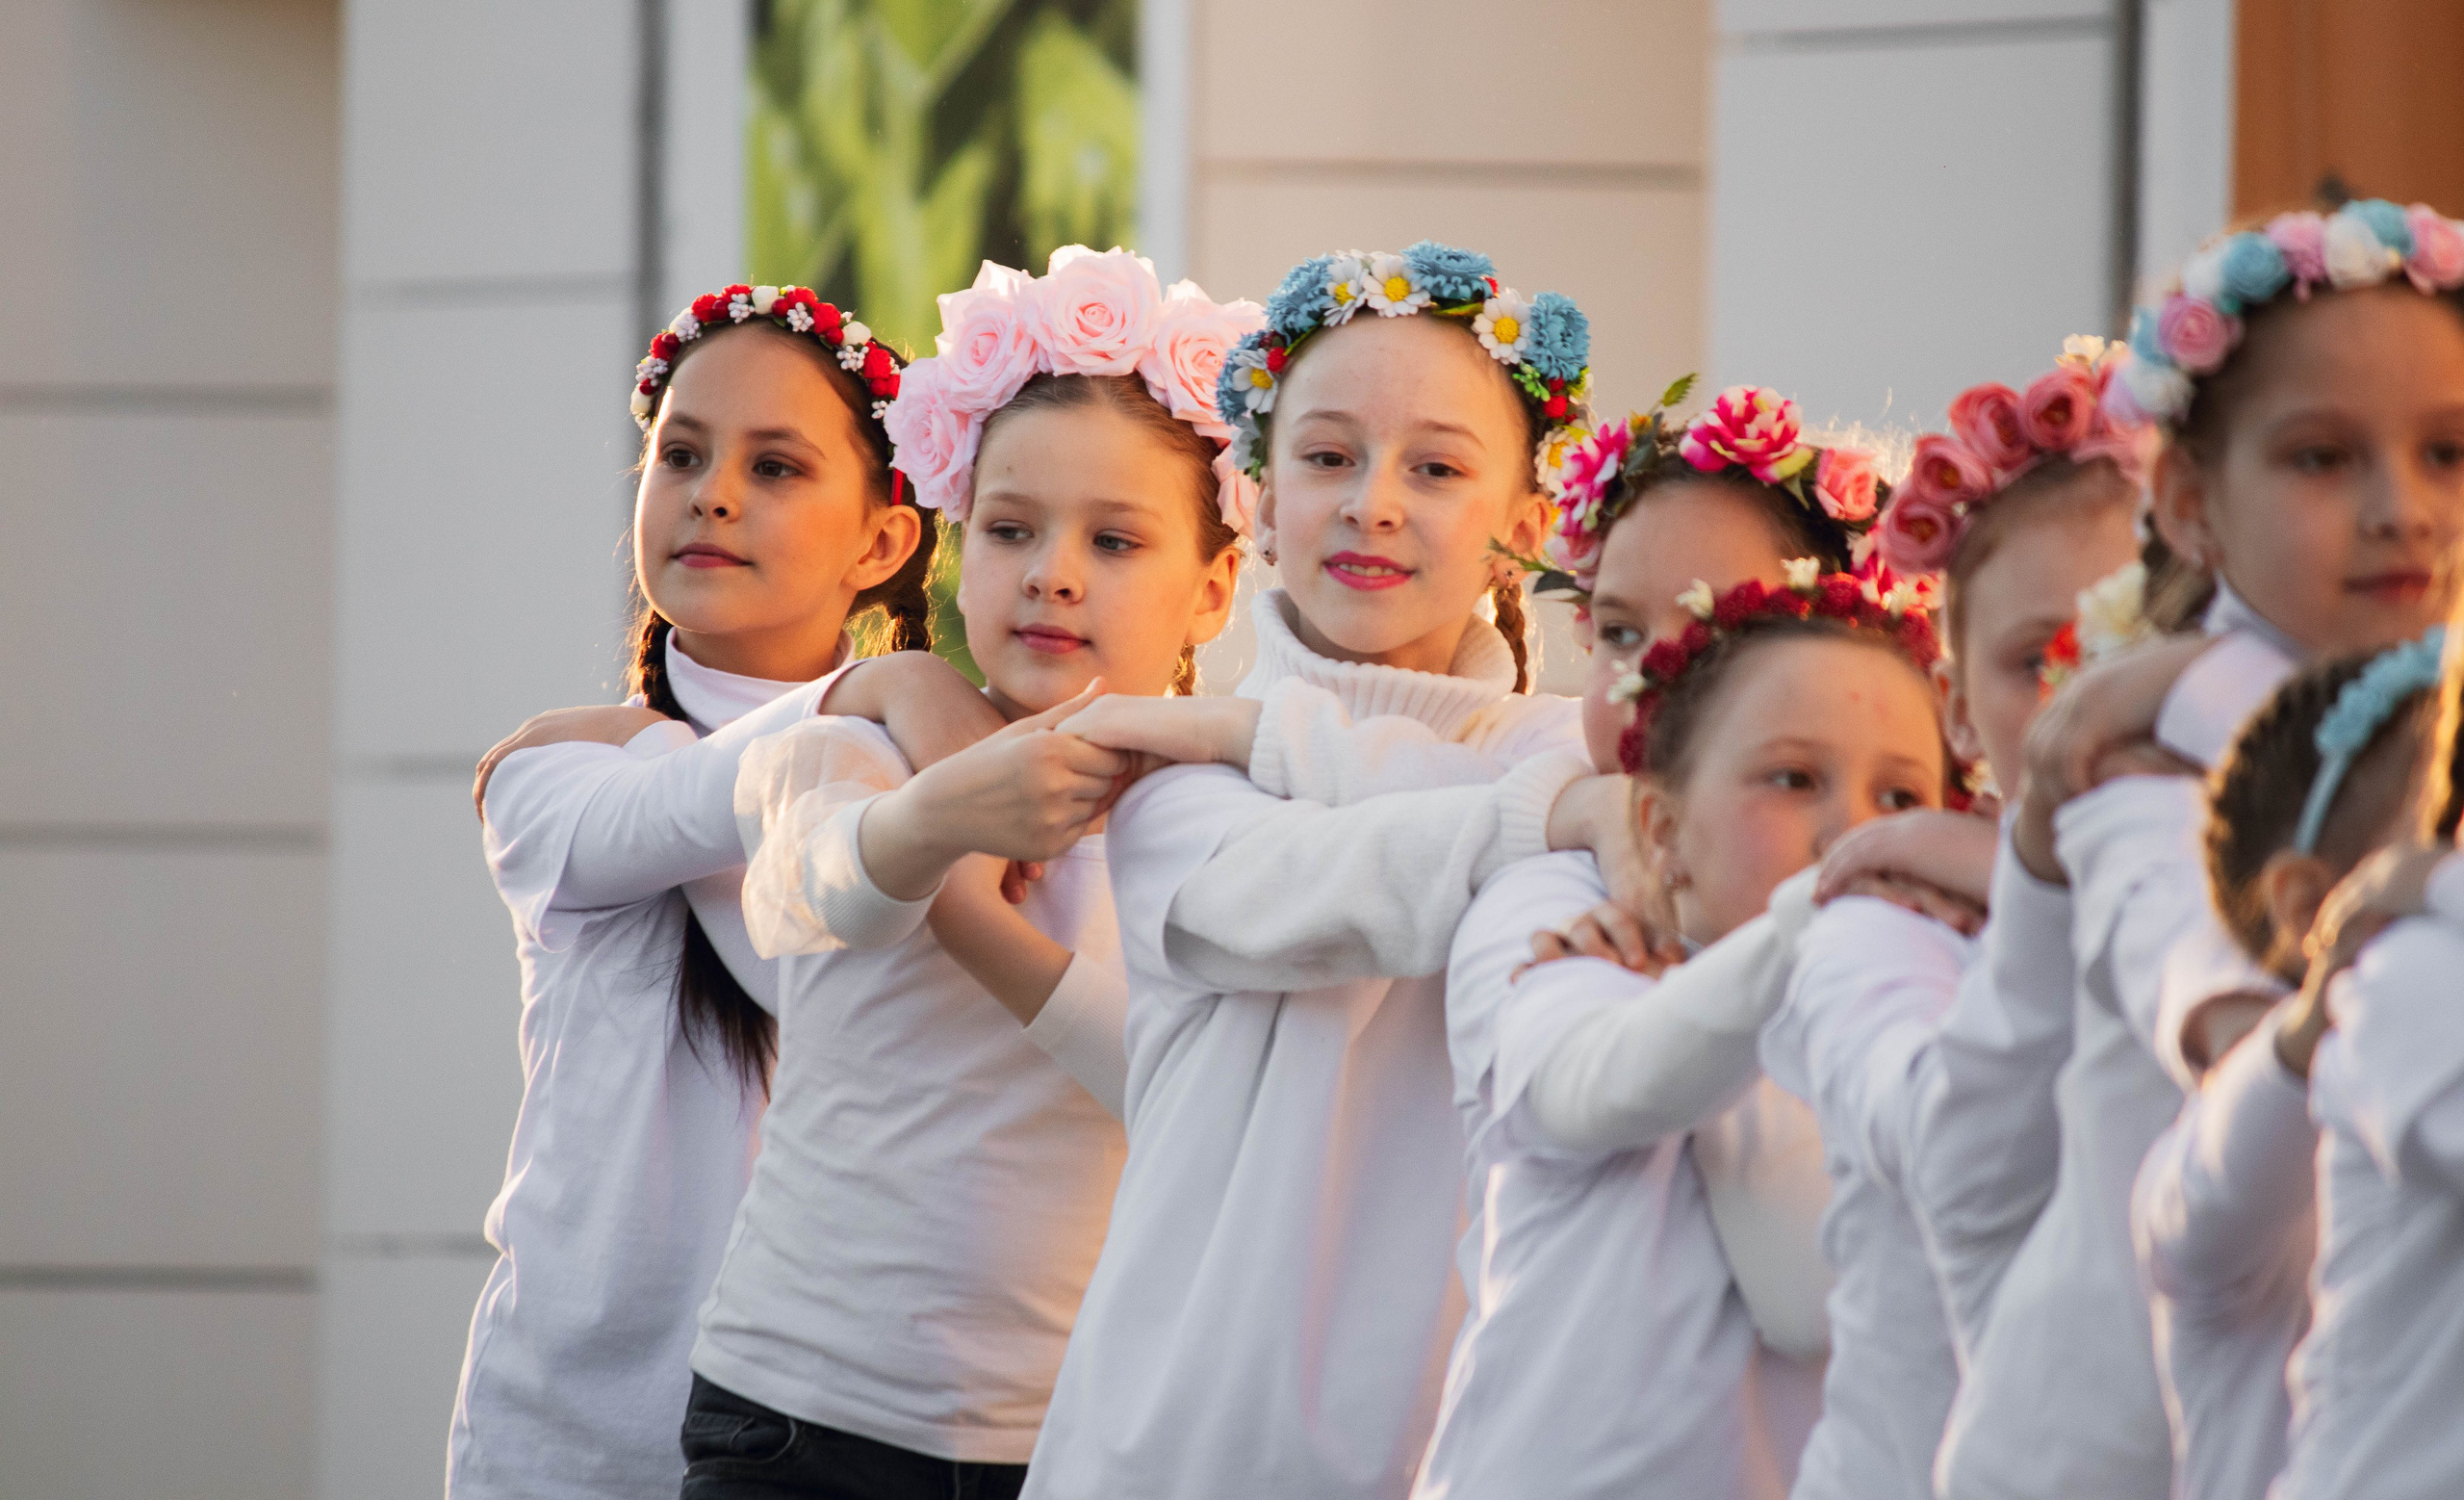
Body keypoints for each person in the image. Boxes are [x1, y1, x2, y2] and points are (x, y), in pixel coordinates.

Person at [1016, 243, 1640, 1500]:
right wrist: (1560, 818)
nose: (1374, 503)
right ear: (1255, 500)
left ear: (1525, 531)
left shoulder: (1559, 761)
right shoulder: (1172, 775)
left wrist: (1261, 729)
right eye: (1327, 457)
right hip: (1168, 1448)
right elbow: (1346, 882)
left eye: (1437, 468)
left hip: (1449, 1447)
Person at [677, 248, 1254, 1500]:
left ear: (1212, 588)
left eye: (1114, 539)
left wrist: (976, 917)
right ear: (951, 550)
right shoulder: (859, 743)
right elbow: (803, 892)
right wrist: (941, 814)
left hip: (1074, 1440)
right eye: (1010, 529)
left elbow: (1176, 1084)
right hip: (799, 1420)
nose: (1053, 571)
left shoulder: (1222, 822)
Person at [1937, 199, 2464, 1499]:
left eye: (2449, 452)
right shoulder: (2138, 767)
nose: (2403, 509)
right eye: (2322, 458)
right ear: (2186, 501)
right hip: (2115, 1451)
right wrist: (2204, 696)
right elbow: (2220, 1005)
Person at [449, 286, 939, 1500]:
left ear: (882, 543)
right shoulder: (561, 769)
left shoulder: (916, 784)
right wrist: (874, 693)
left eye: (775, 466)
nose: (712, 493)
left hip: (840, 1435)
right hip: (565, 1436)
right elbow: (677, 809)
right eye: (680, 455)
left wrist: (893, 718)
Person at [1417, 569, 1962, 1499]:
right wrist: (1807, 924)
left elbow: (1810, 1297)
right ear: (1661, 828)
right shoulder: (1575, 940)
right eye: (1794, 779)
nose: (1852, 830)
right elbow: (1596, 1087)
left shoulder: (1932, 1021)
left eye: (1902, 797)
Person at [1758, 344, 2145, 1499]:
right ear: (1957, 708)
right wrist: (2035, 880)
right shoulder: (1886, 918)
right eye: (2035, 659)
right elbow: (1952, 1154)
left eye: (2132, 640)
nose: (2086, 696)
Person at [2135, 631, 2453, 1500]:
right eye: (2446, 836)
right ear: (2315, 904)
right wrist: (2313, 1021)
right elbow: (2197, 1205)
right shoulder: (2229, 1137)